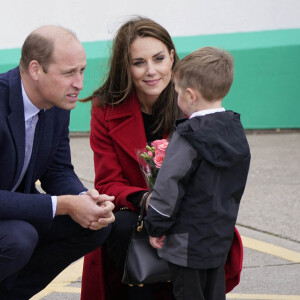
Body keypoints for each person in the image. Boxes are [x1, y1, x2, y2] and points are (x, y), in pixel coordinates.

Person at [0, 25, 115, 299]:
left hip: (15, 211)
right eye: (68, 73)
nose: (79, 83)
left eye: (82, 70)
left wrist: (83, 198)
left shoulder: (55, 103)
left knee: (95, 224)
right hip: (11, 224)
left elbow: (57, 169)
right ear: (36, 69)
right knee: (19, 238)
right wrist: (63, 204)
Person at [80, 16, 182, 300]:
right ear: (126, 67)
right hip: (136, 212)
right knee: (122, 226)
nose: (151, 71)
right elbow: (108, 182)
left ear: (172, 58)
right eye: (139, 63)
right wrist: (146, 200)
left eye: (159, 58)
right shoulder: (105, 108)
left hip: (187, 210)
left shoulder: (192, 99)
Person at [145, 47, 251, 300]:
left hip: (186, 241)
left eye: (178, 92)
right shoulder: (235, 130)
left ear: (190, 95)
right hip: (218, 237)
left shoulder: (188, 136)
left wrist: (155, 226)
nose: (177, 97)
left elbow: (169, 186)